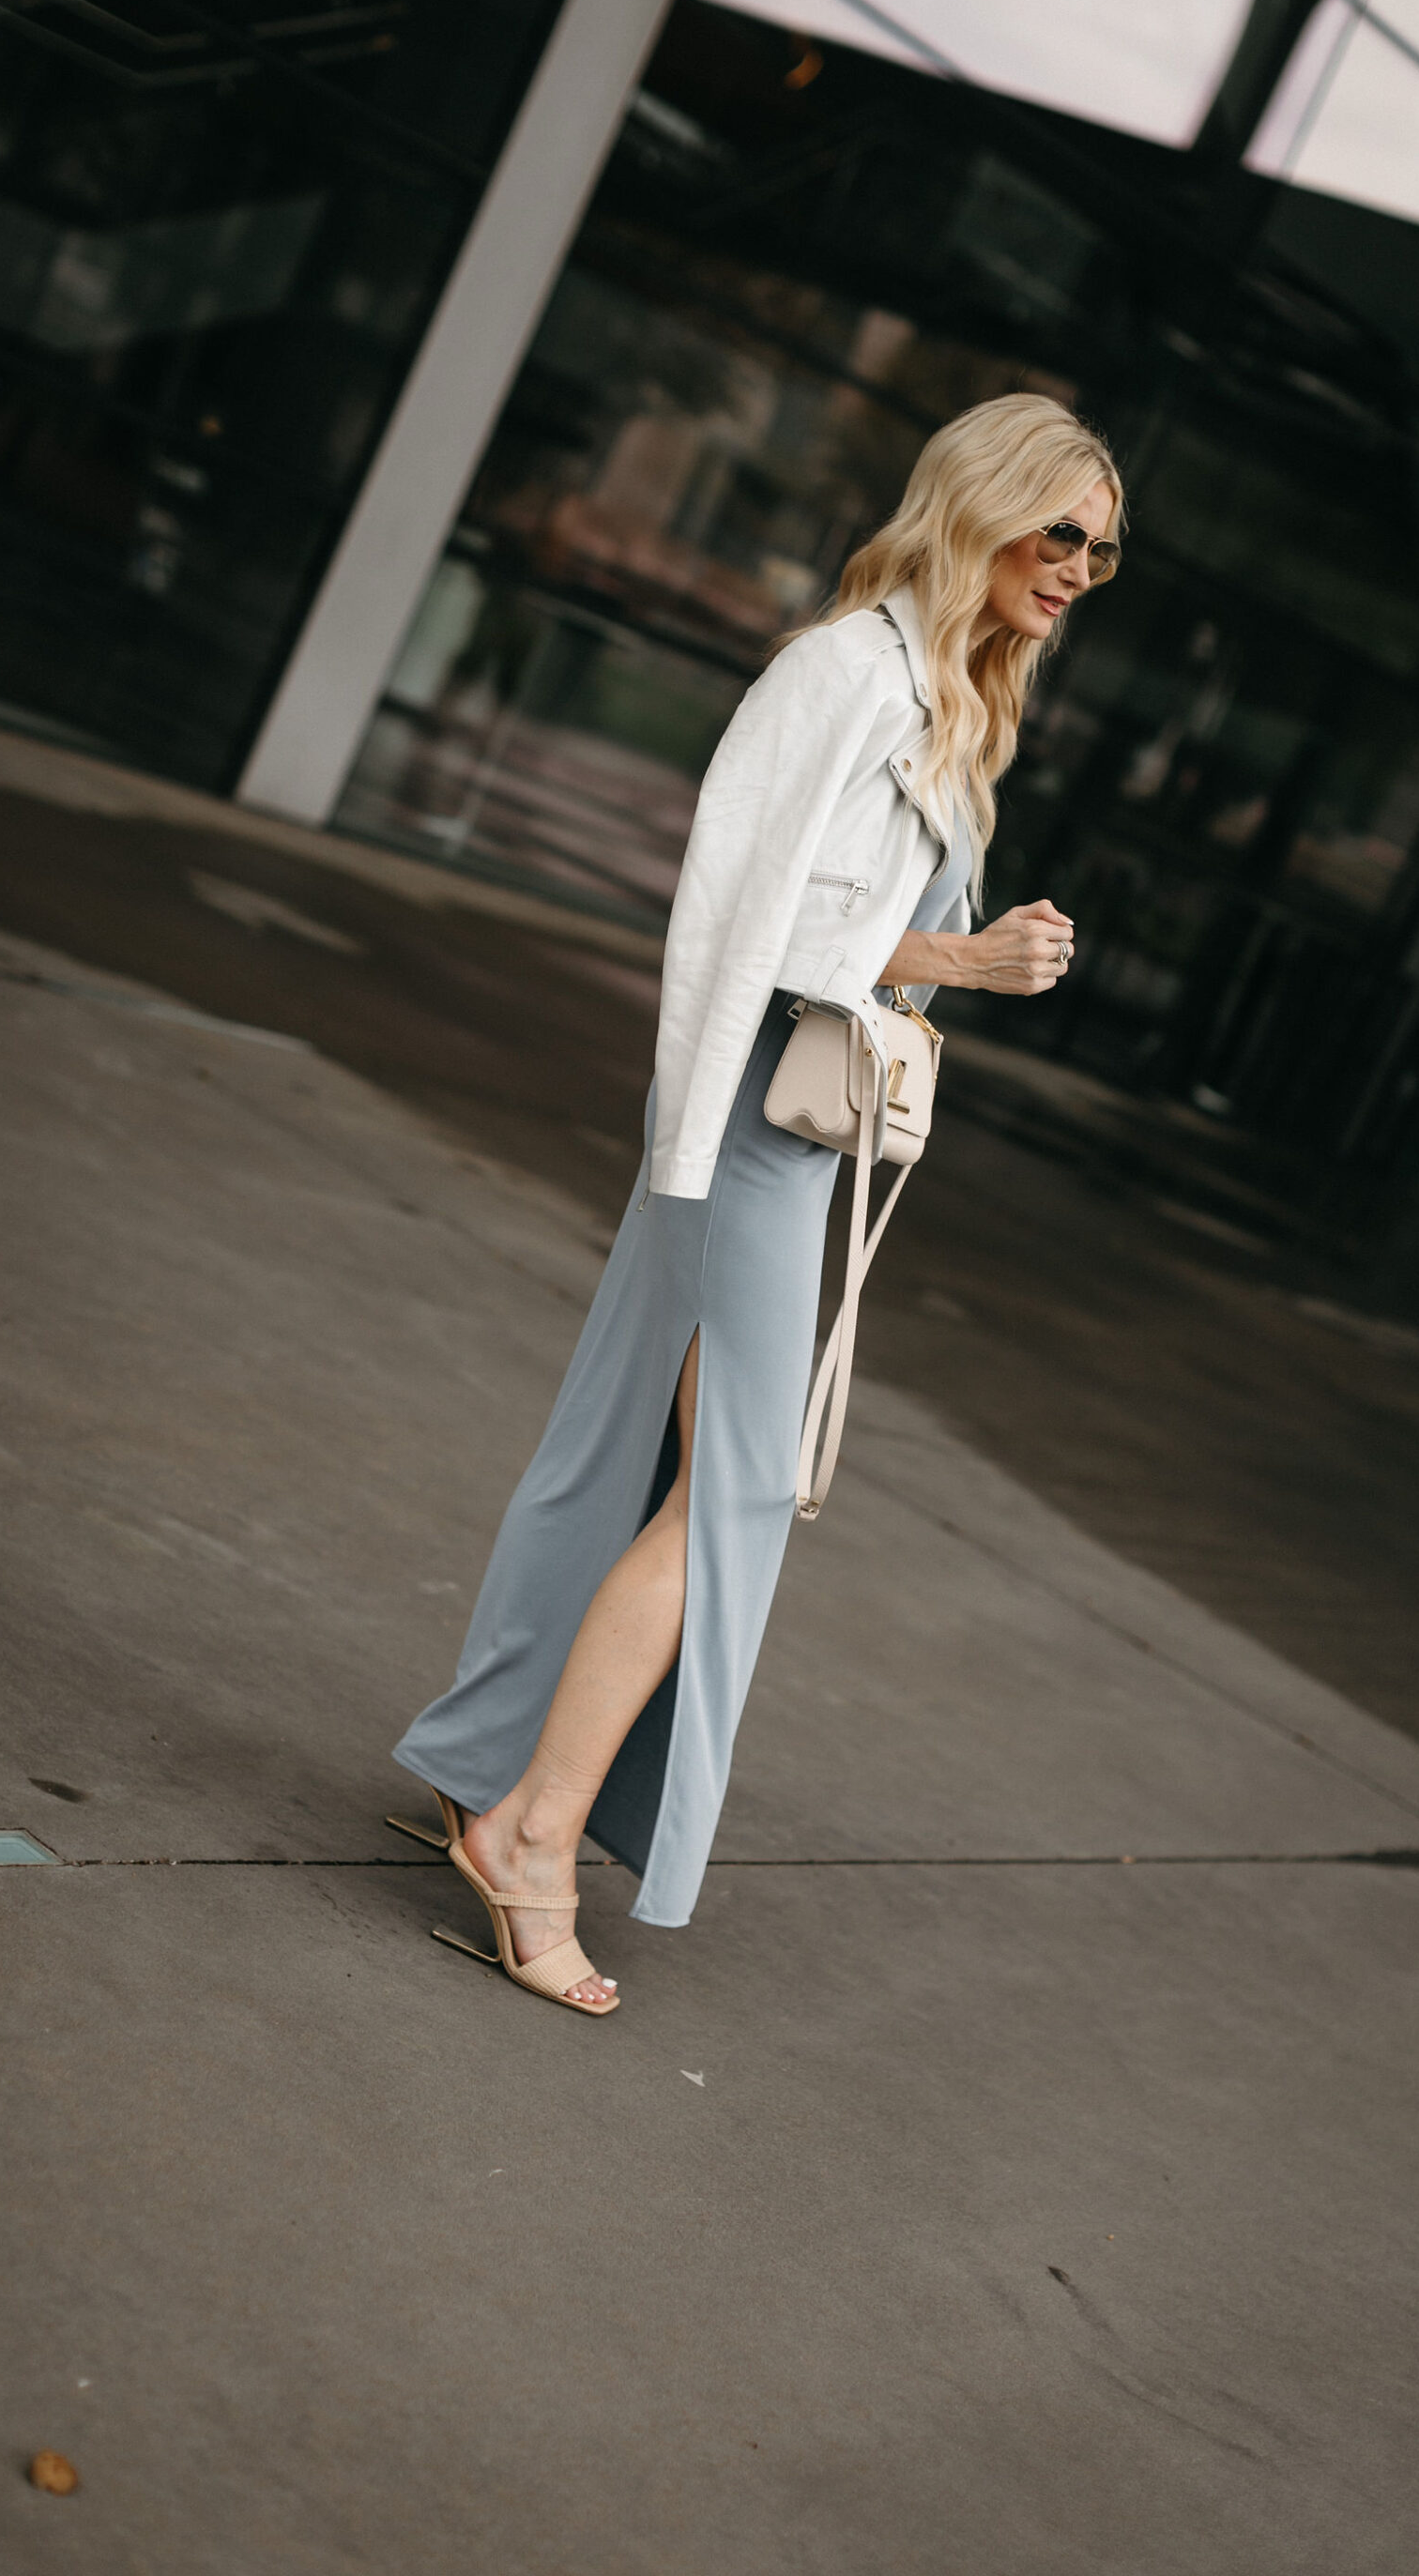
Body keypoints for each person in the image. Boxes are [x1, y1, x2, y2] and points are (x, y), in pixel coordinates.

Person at [392, 392, 1124, 2013]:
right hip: (746, 1131)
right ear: (982, 504)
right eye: (1058, 530)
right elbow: (749, 923)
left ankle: (476, 1764)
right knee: (728, 1498)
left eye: (1103, 551)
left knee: (615, 1453)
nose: (1079, 567)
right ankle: (532, 1836)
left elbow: (834, 922)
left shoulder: (946, 695)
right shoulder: (849, 675)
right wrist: (967, 958)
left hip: (767, 1131)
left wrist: (948, 948)